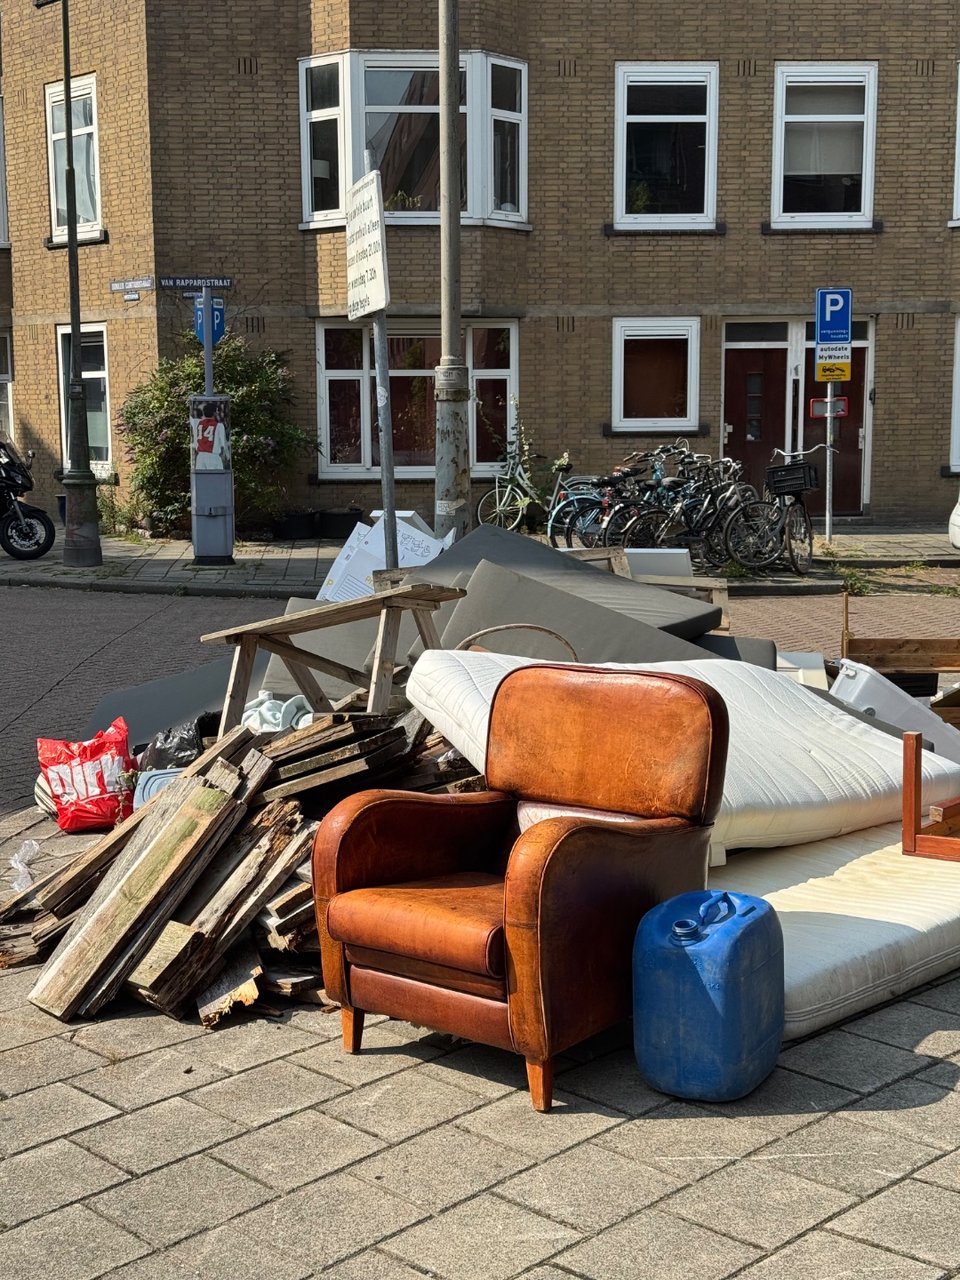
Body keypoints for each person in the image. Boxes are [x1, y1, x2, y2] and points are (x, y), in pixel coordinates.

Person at [191, 401, 230, 470]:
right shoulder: (219, 426)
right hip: (213, 457)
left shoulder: (197, 423)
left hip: (200, 457)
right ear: (214, 413)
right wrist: (228, 456)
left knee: (201, 476)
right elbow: (224, 444)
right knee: (217, 476)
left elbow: (190, 418)